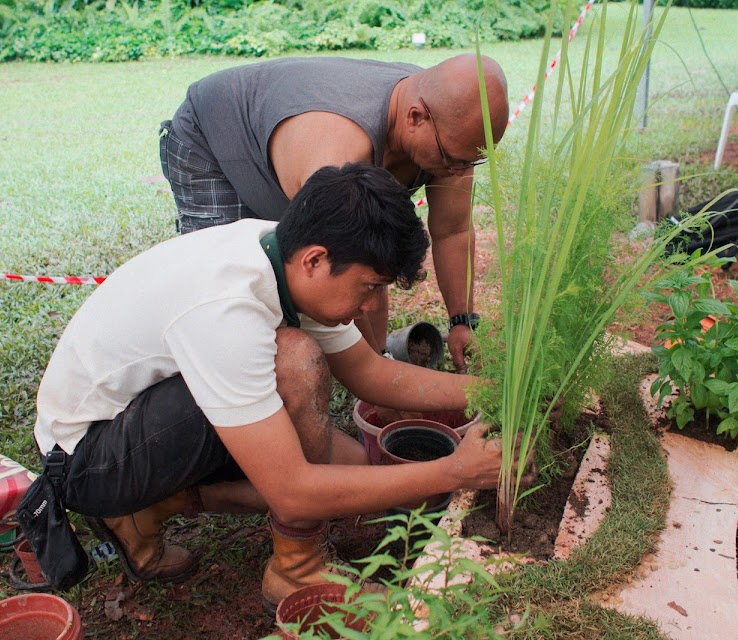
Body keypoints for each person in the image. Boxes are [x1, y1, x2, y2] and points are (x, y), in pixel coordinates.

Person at [34, 163, 519, 610]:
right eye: (370, 286)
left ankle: (156, 506)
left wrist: (498, 390)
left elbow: (372, 374)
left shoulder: (281, 256)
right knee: (294, 363)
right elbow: (291, 492)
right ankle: (295, 569)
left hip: (138, 418)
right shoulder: (227, 308)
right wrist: (453, 472)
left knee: (354, 466)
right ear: (315, 260)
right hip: (89, 460)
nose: (374, 307)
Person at [159, 54, 510, 372]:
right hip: (214, 138)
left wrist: (462, 321)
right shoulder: (338, 148)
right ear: (415, 117)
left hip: (291, 158)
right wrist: (377, 367)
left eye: (472, 161)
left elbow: (453, 231)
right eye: (452, 160)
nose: (457, 171)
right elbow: (345, 271)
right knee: (236, 293)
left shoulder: (451, 126)